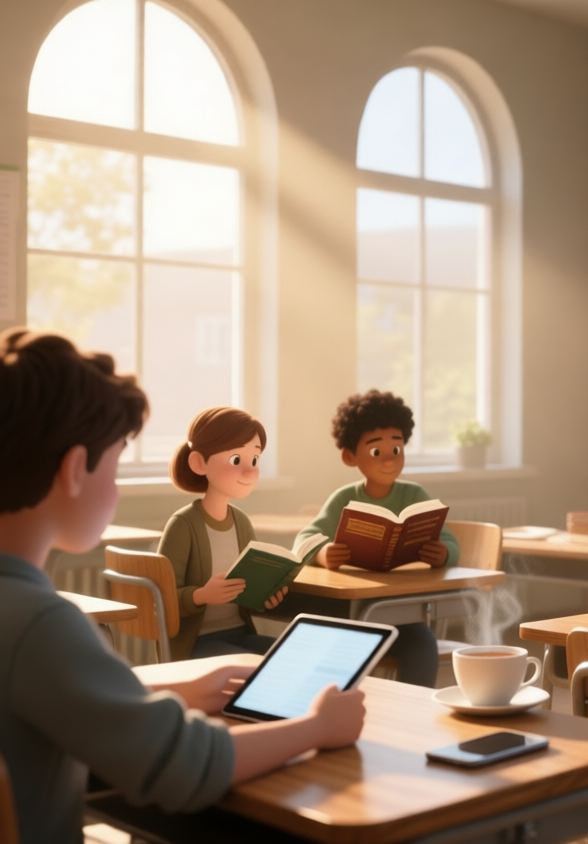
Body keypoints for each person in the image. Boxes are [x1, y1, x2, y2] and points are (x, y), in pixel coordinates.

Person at [0, 327, 365, 844]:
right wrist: (317, 727)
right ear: (75, 470)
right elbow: (184, 767)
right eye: (117, 462)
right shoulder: (41, 624)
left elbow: (51, 700)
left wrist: (181, 691)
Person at [295, 389, 459, 687]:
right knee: (338, 647)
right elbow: (304, 540)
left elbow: (451, 544)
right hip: (353, 612)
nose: (388, 461)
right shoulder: (343, 498)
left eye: (396, 450)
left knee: (423, 645)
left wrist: (443, 553)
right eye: (376, 451)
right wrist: (322, 553)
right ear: (350, 456)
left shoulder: (415, 495)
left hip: (404, 612)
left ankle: (414, 710)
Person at [159, 406, 287, 660]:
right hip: (195, 644)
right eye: (236, 460)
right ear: (199, 463)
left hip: (239, 634)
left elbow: (248, 588)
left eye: (255, 460)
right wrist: (202, 595)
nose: (249, 471)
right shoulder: (183, 525)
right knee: (256, 667)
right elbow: (161, 601)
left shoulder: (241, 522)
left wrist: (266, 595)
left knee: (292, 656)